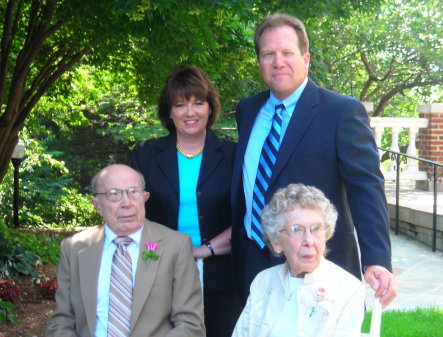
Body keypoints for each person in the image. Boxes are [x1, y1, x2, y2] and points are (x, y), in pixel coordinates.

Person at [230, 13, 397, 308]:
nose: (278, 62)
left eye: (287, 53)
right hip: (253, 261)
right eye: (268, 54)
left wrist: (377, 259)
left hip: (320, 264)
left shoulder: (342, 112)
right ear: (259, 62)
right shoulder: (248, 110)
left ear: (306, 58)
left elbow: (366, 188)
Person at [130, 65, 240, 337]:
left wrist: (203, 251)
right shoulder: (145, 155)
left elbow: (247, 216)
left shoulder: (233, 155)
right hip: (159, 272)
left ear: (210, 108)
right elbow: (134, 217)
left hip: (221, 279)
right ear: (169, 111)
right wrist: (160, 254)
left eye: (198, 103)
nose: (190, 113)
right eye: (180, 105)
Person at [46, 164, 205, 337]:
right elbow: (61, 322)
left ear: (145, 197)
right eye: (114, 194)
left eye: (133, 192)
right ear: (97, 205)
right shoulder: (75, 248)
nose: (126, 203)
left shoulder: (176, 246)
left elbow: (190, 325)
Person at [232, 184, 365, 337]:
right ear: (276, 242)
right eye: (297, 230)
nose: (309, 240)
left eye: (316, 228)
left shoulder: (348, 289)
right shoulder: (263, 282)